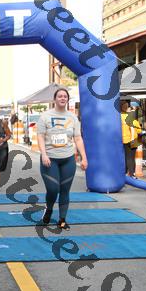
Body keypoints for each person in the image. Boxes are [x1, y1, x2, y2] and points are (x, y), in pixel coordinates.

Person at [37, 88, 88, 230]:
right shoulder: (45, 116)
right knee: (53, 189)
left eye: (65, 96)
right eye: (60, 96)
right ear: (55, 99)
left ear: (67, 99)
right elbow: (40, 136)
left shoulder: (73, 118)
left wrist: (84, 158)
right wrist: (44, 154)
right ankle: (48, 209)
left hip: (68, 159)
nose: (62, 98)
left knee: (65, 190)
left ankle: (62, 220)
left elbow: (78, 138)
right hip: (50, 159)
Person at [121, 101, 142, 178]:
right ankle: (132, 174)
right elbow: (138, 130)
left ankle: (125, 173)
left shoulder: (118, 117)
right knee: (131, 157)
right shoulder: (131, 118)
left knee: (126, 157)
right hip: (133, 140)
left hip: (123, 140)